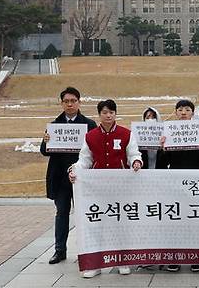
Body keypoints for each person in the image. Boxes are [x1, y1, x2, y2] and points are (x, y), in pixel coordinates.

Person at [68, 99, 142, 278]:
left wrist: (136, 162)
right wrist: (74, 170)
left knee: (121, 224)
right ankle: (95, 264)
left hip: (121, 187)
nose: (108, 115)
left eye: (112, 112)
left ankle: (123, 261)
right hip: (97, 188)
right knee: (96, 224)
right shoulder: (91, 136)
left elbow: (133, 153)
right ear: (99, 115)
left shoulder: (126, 134)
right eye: (105, 112)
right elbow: (85, 160)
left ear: (116, 114)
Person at [40, 87, 97, 265]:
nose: (70, 104)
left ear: (79, 102)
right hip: (61, 178)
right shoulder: (54, 126)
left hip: (82, 178)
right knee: (61, 214)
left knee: (85, 215)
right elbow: (44, 152)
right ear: (62, 103)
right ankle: (59, 250)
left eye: (73, 101)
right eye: (67, 101)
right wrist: (46, 141)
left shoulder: (89, 124)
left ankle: (87, 251)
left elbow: (96, 151)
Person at [157, 99, 199, 273]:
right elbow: (161, 166)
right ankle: (175, 257)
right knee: (175, 221)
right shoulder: (169, 132)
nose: (183, 112)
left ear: (193, 113)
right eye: (180, 109)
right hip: (174, 183)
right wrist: (163, 149)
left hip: (196, 183)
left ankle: (196, 257)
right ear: (175, 112)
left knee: (196, 221)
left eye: (187, 109)